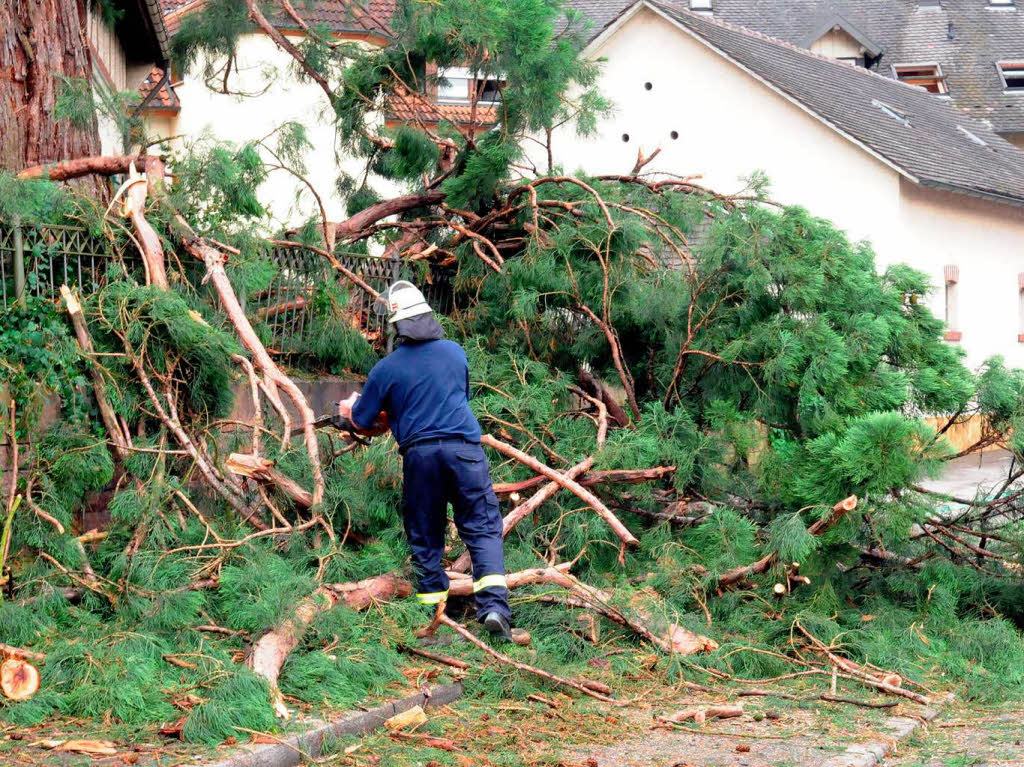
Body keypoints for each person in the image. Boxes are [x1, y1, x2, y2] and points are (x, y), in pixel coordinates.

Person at [336, 281, 513, 640]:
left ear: (396, 325)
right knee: (481, 527)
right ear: (428, 318)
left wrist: (349, 411)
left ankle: (435, 620)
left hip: (421, 457)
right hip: (465, 449)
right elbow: (454, 399)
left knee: (427, 533)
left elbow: (364, 420)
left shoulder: (386, 368)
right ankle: (495, 609)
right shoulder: (455, 353)